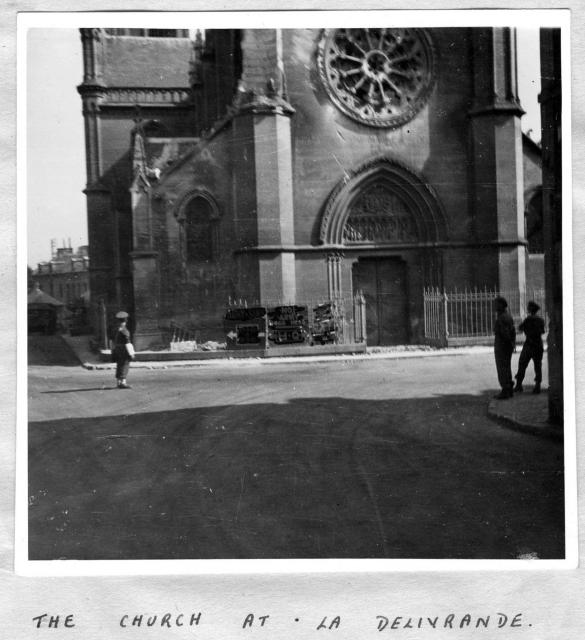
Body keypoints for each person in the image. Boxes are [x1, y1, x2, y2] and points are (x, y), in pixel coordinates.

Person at [514, 301, 546, 394]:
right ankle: (537, 386)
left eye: (528, 307)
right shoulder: (541, 320)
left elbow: (520, 328)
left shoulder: (528, 319)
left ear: (530, 309)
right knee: (538, 366)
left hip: (529, 344)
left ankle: (518, 385)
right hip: (538, 344)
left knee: (522, 364)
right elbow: (542, 331)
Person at [493, 296, 516, 399]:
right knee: (507, 367)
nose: (494, 306)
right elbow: (513, 332)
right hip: (507, 346)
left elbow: (505, 333)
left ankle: (505, 390)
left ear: (501, 305)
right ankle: (509, 389)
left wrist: (506, 344)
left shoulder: (502, 318)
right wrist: (512, 344)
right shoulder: (508, 316)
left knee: (502, 369)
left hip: (502, 346)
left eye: (496, 304)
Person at [111, 311, 135, 389]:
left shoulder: (116, 329)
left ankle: (118, 382)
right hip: (124, 349)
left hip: (117, 348)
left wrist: (113, 350)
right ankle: (123, 382)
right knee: (125, 364)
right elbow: (127, 342)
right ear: (126, 320)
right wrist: (131, 353)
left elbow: (112, 340)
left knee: (119, 365)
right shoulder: (125, 330)